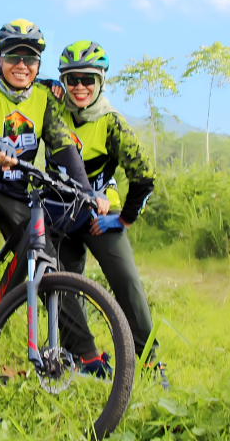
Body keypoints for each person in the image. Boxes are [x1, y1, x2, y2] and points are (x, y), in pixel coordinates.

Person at [0, 20, 107, 339]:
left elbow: (62, 143)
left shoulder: (47, 96)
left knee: (46, 255)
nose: (22, 65)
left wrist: (87, 190)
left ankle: (82, 352)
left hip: (15, 193)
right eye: (13, 56)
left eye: (30, 58)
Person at [46, 40, 165, 385]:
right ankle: (85, 357)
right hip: (59, 211)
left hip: (100, 213)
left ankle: (149, 362)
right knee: (60, 283)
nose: (79, 87)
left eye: (87, 79)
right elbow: (26, 87)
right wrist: (47, 85)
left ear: (100, 81)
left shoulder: (113, 123)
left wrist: (123, 218)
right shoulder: (53, 109)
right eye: (71, 79)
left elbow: (143, 177)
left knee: (126, 282)